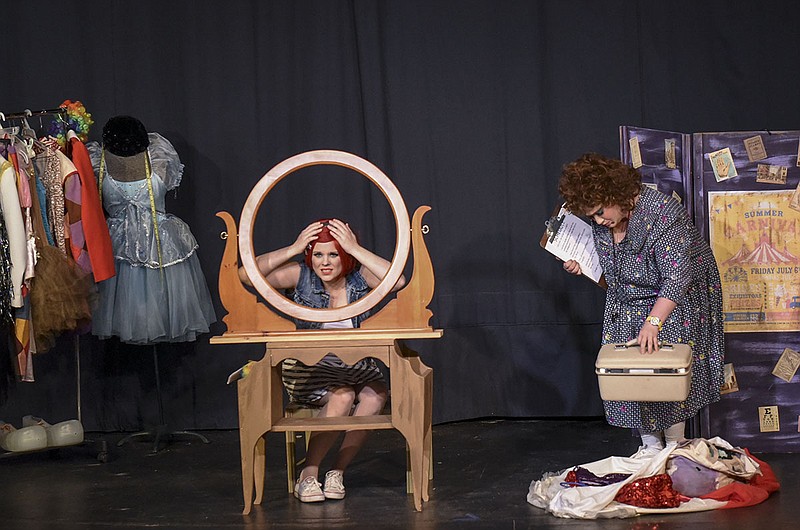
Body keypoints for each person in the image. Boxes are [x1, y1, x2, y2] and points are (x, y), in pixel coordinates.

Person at [558, 153, 725, 458]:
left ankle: (675, 446)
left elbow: (677, 276)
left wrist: (654, 321)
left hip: (674, 294)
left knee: (665, 361)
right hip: (630, 295)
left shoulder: (661, 212)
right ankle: (649, 445)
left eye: (599, 212)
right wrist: (584, 267)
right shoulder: (605, 219)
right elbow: (614, 269)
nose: (598, 221)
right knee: (631, 365)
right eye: (591, 216)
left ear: (615, 193)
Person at [239, 218, 405, 502]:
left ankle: (337, 472)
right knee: (342, 396)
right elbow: (246, 275)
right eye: (318, 253)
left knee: (376, 394)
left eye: (334, 254)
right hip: (310, 366)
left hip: (354, 365)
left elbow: (398, 280)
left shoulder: (359, 278)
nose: (324, 262)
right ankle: (309, 474)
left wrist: (355, 248)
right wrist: (293, 248)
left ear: (345, 256)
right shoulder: (301, 275)